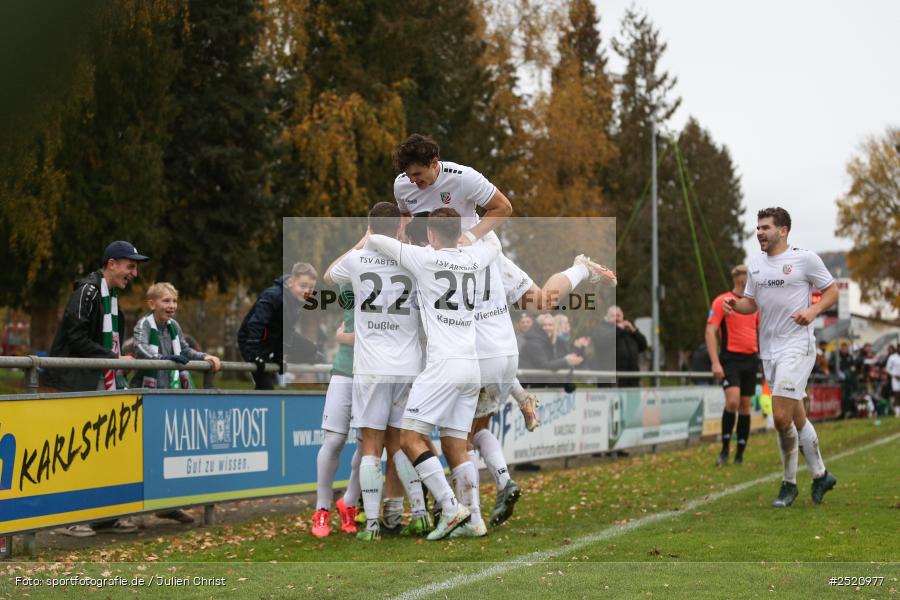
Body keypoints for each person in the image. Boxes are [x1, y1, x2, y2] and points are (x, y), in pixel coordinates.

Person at [365, 207, 501, 539]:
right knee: (457, 445)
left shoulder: (423, 258)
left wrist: (392, 227)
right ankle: (476, 520)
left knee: (408, 438)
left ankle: (452, 508)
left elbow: (379, 240)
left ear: (430, 235)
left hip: (443, 365)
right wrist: (469, 232)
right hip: (472, 367)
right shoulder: (473, 259)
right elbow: (494, 244)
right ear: (456, 233)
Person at [392, 133, 616, 314]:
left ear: (433, 163)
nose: (412, 180)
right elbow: (405, 215)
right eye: (408, 175)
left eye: (417, 174)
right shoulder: (402, 185)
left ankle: (582, 268)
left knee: (542, 303)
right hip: (435, 257)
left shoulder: (463, 177)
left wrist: (469, 238)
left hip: (477, 249)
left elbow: (504, 207)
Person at [325, 202, 431, 541]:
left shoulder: (357, 261)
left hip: (371, 367)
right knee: (400, 443)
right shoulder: (413, 259)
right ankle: (420, 513)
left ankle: (370, 525)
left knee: (370, 444)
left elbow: (330, 275)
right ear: (399, 228)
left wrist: (363, 240)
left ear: (370, 227)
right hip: (408, 367)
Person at [723, 207, 838, 508]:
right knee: (796, 415)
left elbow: (832, 290)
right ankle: (821, 474)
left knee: (780, 417)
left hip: (797, 347)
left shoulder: (804, 259)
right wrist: (734, 305)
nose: (759, 232)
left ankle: (788, 484)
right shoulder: (756, 266)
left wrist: (812, 311)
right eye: (757, 227)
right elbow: (751, 303)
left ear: (783, 230)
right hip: (770, 351)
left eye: (765, 227)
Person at [43, 240, 149, 537]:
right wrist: (113, 359)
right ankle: (68, 518)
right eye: (131, 266)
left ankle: (104, 517)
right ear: (111, 263)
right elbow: (75, 337)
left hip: (98, 382)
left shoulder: (112, 299)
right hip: (72, 384)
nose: (134, 273)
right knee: (73, 451)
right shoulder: (88, 292)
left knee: (102, 448)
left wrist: (114, 363)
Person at [131, 282, 222, 525]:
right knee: (142, 452)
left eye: (173, 301)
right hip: (147, 396)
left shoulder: (174, 327)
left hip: (171, 397)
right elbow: (140, 351)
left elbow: (185, 351)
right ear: (152, 304)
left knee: (169, 452)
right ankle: (128, 509)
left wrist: (205, 357)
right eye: (165, 301)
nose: (171, 306)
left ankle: (168, 505)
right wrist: (164, 358)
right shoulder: (144, 325)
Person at [310, 285, 363, 538]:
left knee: (370, 445)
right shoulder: (354, 274)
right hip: (344, 370)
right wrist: (364, 242)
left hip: (376, 374)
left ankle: (349, 502)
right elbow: (330, 274)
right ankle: (322, 509)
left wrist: (347, 337)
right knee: (334, 439)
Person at [706, 265, 760, 465]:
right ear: (740, 280)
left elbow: (761, 329)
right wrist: (715, 363)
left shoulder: (754, 305)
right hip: (731, 359)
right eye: (749, 278)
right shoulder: (722, 301)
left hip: (751, 359)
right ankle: (725, 450)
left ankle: (740, 454)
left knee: (745, 406)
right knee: (733, 401)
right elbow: (710, 331)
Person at [237, 262, 318, 390]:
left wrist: (279, 357)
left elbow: (287, 331)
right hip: (252, 340)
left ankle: (273, 359)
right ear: (291, 282)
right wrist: (254, 354)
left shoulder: (297, 302)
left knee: (312, 349)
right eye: (303, 286)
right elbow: (256, 323)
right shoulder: (273, 295)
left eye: (311, 288)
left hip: (272, 339)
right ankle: (263, 373)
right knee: (266, 387)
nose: (307, 291)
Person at [588, 306, 647, 387]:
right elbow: (602, 342)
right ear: (607, 318)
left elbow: (643, 345)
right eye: (613, 316)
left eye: (619, 315)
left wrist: (634, 330)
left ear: (623, 316)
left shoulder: (629, 332)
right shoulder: (601, 329)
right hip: (611, 381)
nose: (617, 318)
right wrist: (619, 329)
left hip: (632, 380)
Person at [519, 313, 583, 386]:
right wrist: (566, 361)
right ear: (538, 327)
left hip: (541, 384)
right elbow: (544, 365)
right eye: (544, 325)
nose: (547, 328)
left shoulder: (548, 342)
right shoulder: (534, 343)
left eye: (550, 325)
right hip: (529, 385)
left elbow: (553, 362)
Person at [886, 345, 900, 417]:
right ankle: (897, 411)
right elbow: (887, 368)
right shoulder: (892, 357)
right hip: (896, 378)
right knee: (897, 394)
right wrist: (894, 375)